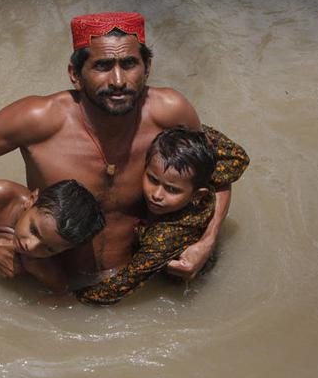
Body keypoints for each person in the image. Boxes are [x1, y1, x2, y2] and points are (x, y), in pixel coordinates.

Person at [0, 11, 247, 284]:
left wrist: (207, 242)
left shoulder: (170, 111)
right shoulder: (41, 119)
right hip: (53, 276)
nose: (117, 80)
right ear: (75, 75)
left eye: (129, 64)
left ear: (147, 67)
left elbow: (215, 173)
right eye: (102, 66)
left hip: (136, 274)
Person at [76, 126, 247, 304]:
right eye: (153, 179)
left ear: (197, 195)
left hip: (181, 269)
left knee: (171, 282)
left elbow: (123, 284)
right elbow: (237, 156)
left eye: (172, 190)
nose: (157, 195)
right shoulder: (192, 177)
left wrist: (72, 299)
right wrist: (180, 130)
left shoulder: (164, 237)